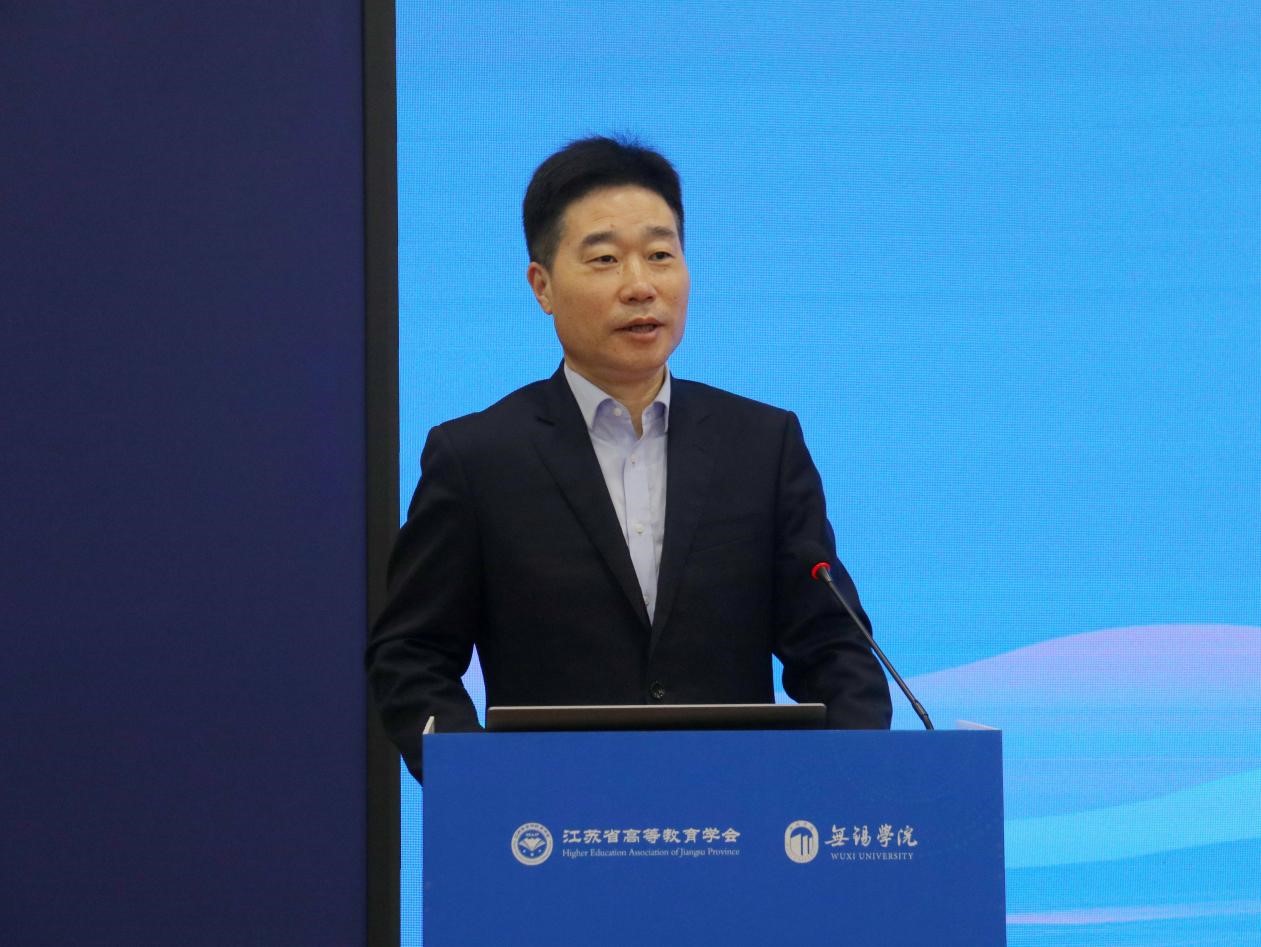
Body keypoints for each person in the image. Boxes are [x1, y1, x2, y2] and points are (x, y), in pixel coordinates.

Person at [366, 135, 891, 783]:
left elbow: (833, 644)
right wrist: (477, 781)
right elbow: (411, 655)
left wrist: (850, 775)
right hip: (551, 817)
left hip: (737, 812)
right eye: (605, 259)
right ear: (542, 286)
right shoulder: (477, 458)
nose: (640, 286)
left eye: (660, 255)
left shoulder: (761, 444)